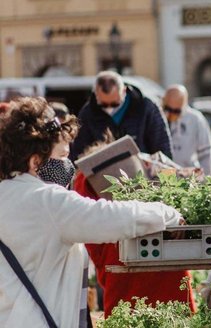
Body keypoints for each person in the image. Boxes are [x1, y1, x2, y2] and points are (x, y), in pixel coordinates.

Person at [0, 97, 182, 327]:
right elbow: (113, 218)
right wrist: (167, 213)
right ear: (35, 160)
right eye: (61, 158)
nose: (68, 166)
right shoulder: (49, 202)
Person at [73, 136, 197, 317]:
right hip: (166, 267)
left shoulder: (86, 181)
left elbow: (88, 230)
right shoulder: (146, 171)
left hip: (122, 273)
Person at [70, 70, 172, 160]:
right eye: (104, 104)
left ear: (124, 91)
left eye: (115, 103)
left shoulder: (146, 107)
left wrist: (167, 176)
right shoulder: (88, 113)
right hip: (105, 175)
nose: (109, 108)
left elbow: (162, 146)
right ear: (96, 94)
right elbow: (79, 151)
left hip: (142, 173)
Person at [163, 85, 211, 175]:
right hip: (163, 179)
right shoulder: (158, 116)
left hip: (188, 179)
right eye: (168, 109)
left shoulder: (196, 119)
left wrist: (204, 179)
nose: (171, 114)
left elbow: (207, 153)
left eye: (176, 111)